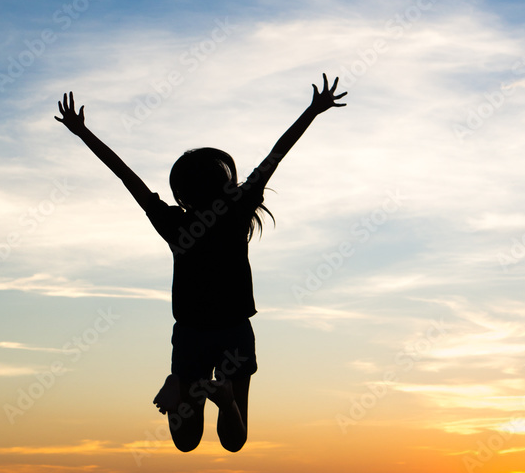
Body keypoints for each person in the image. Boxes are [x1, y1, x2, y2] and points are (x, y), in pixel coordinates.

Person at [54, 74, 346, 452]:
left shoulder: (174, 223)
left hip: (191, 335)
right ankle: (223, 396)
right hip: (233, 331)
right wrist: (312, 111)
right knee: (234, 440)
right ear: (223, 181)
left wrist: (83, 132)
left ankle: (180, 381)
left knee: (186, 441)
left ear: (182, 190)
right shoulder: (238, 210)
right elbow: (276, 155)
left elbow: (127, 177)